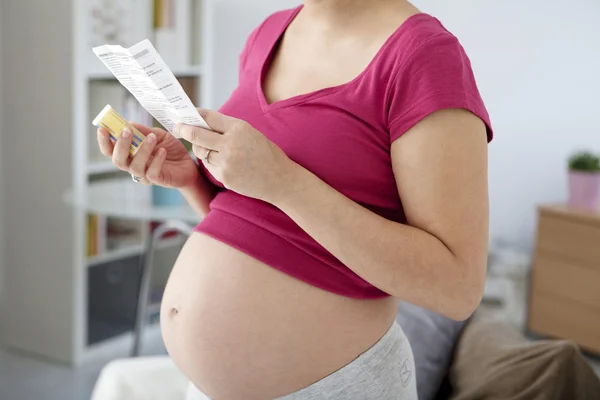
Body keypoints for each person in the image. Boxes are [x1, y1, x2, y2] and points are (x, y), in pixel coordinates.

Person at [97, 0, 492, 399]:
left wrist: (283, 180)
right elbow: (269, 228)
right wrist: (191, 181)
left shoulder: (425, 55)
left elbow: (457, 288)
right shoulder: (269, 33)